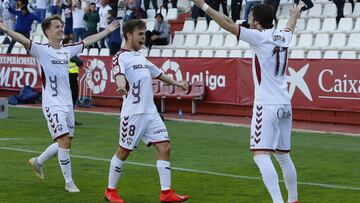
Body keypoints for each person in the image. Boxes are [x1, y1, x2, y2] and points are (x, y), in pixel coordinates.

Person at [190, 1, 301, 202]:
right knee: (283, 157)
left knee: (260, 155)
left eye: (250, 18)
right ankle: (293, 199)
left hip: (266, 104)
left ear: (258, 23)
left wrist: (203, 6)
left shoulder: (258, 37)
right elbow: (289, 27)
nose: (248, 21)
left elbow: (226, 24)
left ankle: (278, 201)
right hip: (285, 103)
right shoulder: (282, 36)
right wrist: (294, 15)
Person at [0, 15, 120, 193]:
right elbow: (24, 40)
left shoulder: (67, 50)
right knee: (63, 139)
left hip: (67, 105)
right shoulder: (41, 50)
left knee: (66, 142)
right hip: (52, 104)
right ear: (47, 31)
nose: (61, 28)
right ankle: (69, 182)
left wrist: (107, 31)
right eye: (57, 26)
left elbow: (87, 41)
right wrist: (8, 31)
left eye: (61, 25)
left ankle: (38, 162)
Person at [103, 19, 190, 203]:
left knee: (165, 146)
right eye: (140, 34)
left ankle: (166, 193)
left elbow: (158, 73)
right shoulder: (120, 57)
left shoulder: (141, 57)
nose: (144, 37)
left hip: (150, 112)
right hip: (133, 113)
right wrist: (120, 86)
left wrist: (178, 84)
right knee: (123, 152)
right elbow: (118, 75)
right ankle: (110, 191)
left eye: (144, 33)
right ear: (128, 35)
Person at [62, 38, 84, 126]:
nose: (71, 44)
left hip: (69, 77)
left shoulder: (63, 52)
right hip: (70, 77)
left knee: (69, 99)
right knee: (72, 99)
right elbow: (79, 62)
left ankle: (69, 118)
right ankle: (69, 119)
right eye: (69, 43)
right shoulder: (70, 53)